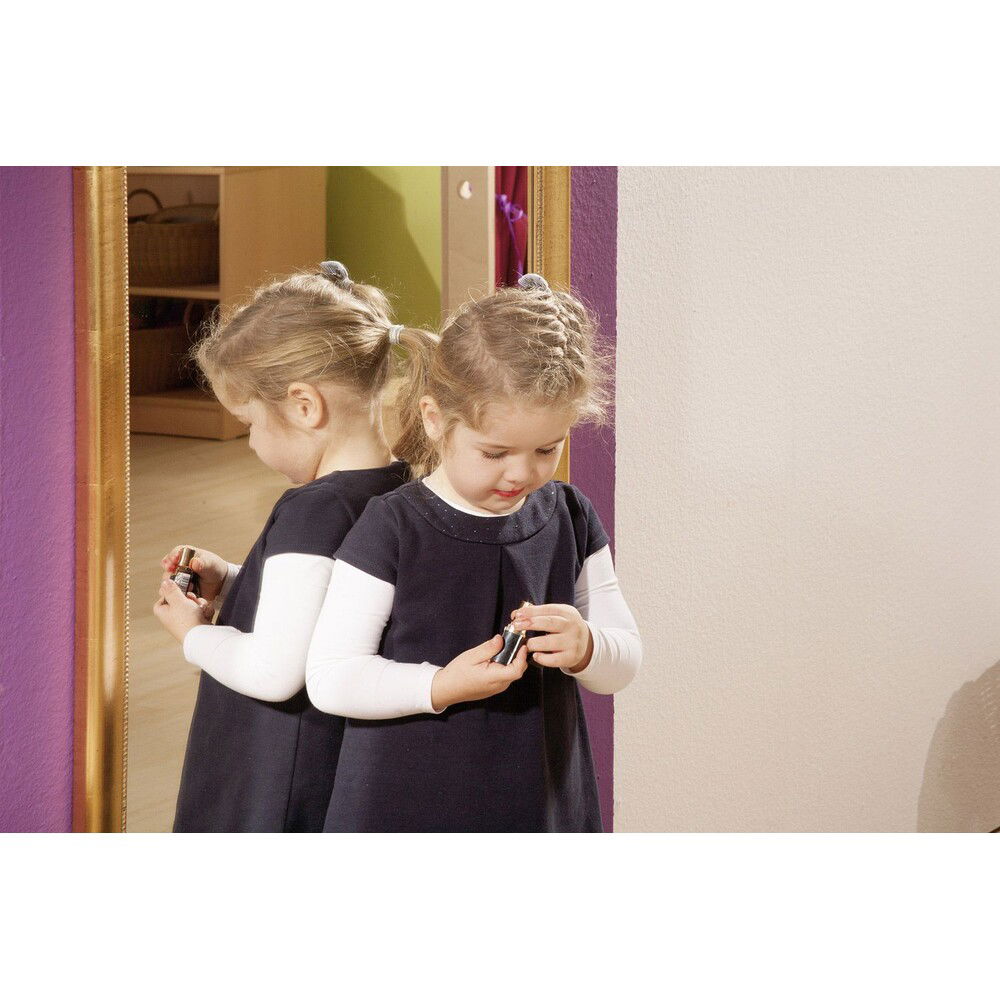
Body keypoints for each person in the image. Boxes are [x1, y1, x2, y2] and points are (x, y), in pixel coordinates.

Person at [306, 273, 641, 832]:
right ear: (435, 419)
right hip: (406, 803)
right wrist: (440, 684)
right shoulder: (391, 527)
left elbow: (623, 660)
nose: (521, 473)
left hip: (537, 799)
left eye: (547, 449)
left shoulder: (570, 515)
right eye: (494, 452)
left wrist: (587, 645)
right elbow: (331, 677)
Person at [153, 261, 415, 831]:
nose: (251, 442)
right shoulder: (402, 485)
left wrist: (194, 635)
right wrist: (236, 580)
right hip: (339, 767)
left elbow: (276, 671)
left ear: (304, 406)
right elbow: (334, 602)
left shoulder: (313, 510)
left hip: (276, 772)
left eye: (249, 422)